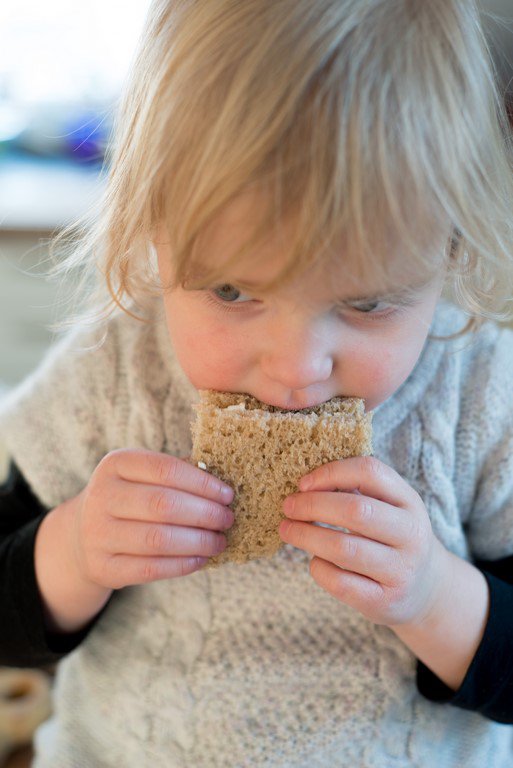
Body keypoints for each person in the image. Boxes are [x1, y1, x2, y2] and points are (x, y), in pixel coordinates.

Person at [1, 0, 513, 764]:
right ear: (154, 236)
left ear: (450, 252)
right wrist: (71, 552)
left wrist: (436, 597)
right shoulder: (112, 375)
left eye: (366, 303)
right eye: (233, 293)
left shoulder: (480, 397)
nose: (295, 367)